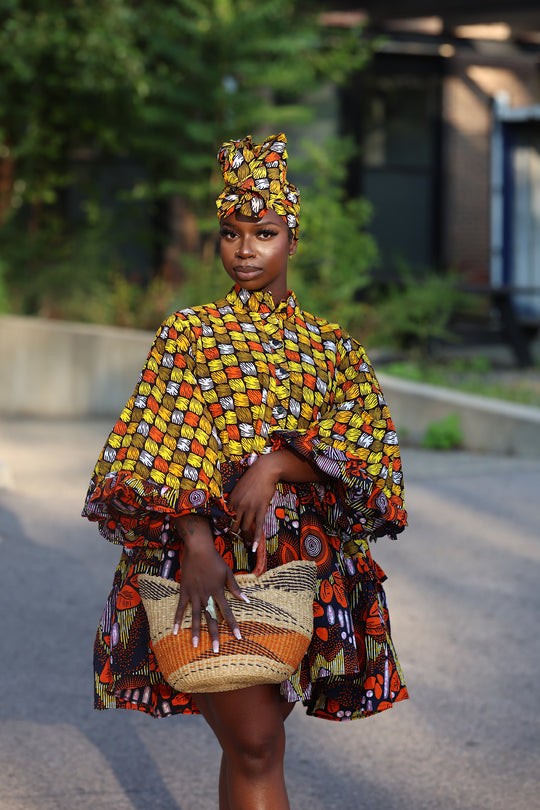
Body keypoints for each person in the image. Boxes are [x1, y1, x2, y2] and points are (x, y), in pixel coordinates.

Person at [82, 132, 409, 810]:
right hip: (209, 564)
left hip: (300, 573)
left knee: (247, 749)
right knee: (257, 745)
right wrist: (198, 545)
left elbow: (367, 453)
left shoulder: (332, 348)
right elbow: (160, 445)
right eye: (231, 234)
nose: (245, 249)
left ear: (293, 239)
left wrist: (276, 465)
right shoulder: (189, 333)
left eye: (264, 233)